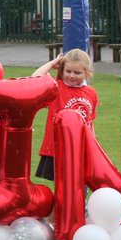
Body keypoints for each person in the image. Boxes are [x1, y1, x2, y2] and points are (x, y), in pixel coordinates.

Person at [31, 49, 98, 181]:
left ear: (87, 73)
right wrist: (53, 63)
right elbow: (34, 79)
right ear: (62, 70)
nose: (72, 76)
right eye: (68, 71)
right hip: (57, 148)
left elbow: (90, 122)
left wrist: (94, 145)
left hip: (81, 148)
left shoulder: (91, 93)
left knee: (80, 183)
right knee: (63, 186)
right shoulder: (56, 88)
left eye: (77, 73)